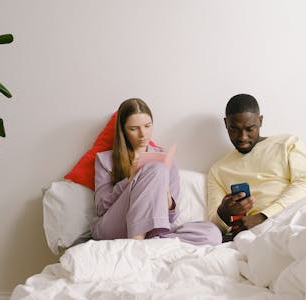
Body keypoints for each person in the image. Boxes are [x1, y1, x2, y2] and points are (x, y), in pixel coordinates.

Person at [92, 98, 222, 245]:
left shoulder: (166, 160)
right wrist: (130, 180)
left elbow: (170, 218)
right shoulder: (104, 160)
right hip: (114, 226)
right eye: (134, 129)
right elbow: (102, 208)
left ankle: (150, 243)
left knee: (212, 234)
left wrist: (168, 200)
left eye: (147, 126)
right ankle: (136, 244)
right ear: (123, 130)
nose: (143, 134)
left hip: (153, 230)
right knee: (155, 168)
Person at [207, 94, 306, 241]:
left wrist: (264, 217)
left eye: (250, 129)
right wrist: (223, 212)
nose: (243, 137)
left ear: (260, 121)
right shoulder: (218, 170)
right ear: (226, 124)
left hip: (298, 217)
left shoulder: (287, 143)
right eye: (234, 129)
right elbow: (212, 225)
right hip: (256, 235)